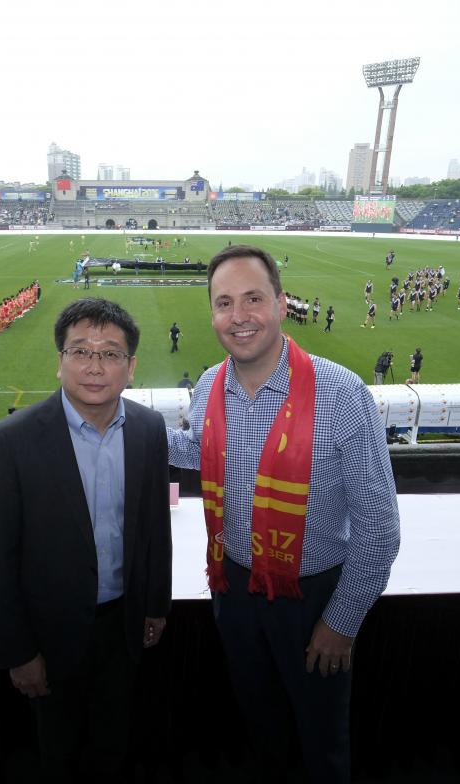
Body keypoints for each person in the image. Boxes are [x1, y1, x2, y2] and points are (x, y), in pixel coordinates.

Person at [166, 245, 400, 783]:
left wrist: (340, 623)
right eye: (224, 303)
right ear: (212, 314)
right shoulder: (209, 386)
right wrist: (122, 424)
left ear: (281, 303)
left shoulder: (341, 394)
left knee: (322, 742)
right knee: (261, 728)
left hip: (313, 597)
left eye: (253, 298)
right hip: (235, 587)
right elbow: (201, 453)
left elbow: (379, 528)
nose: (239, 316)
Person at [0, 297, 172, 782]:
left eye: (110, 354)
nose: (94, 366)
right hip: (50, 635)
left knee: (113, 743)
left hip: (122, 625)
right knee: (58, 752)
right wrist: (18, 652)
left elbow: (154, 527)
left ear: (131, 367)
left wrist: (156, 604)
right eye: (80, 351)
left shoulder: (148, 429)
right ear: (60, 359)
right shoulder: (12, 441)